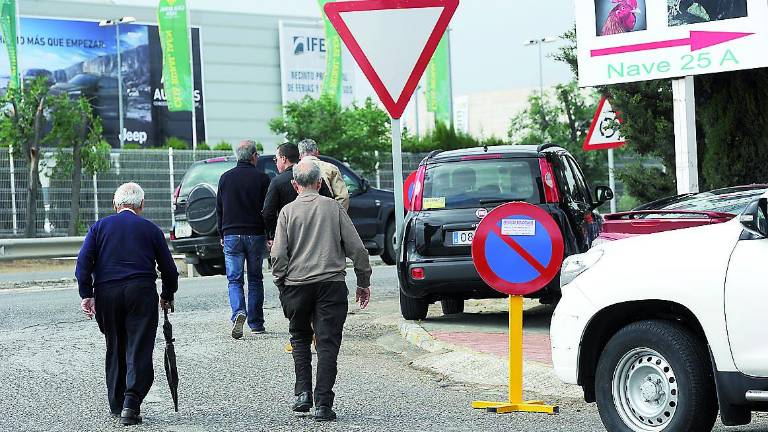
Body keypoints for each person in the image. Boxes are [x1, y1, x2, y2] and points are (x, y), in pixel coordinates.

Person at [271, 160, 372, 422]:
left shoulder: (287, 212)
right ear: (319, 183)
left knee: (300, 338)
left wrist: (281, 283)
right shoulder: (334, 208)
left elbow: (278, 254)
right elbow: (358, 250)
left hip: (297, 285)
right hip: (331, 285)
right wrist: (363, 281)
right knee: (327, 344)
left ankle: (303, 393)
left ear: (295, 185)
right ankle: (324, 405)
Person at [76, 182, 178, 426]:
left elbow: (82, 265)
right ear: (141, 205)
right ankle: (131, 403)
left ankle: (116, 402)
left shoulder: (99, 227)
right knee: (139, 347)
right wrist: (166, 294)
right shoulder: (151, 229)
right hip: (141, 292)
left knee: (115, 344)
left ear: (115, 204)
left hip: (107, 293)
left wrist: (86, 294)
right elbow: (170, 270)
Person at [216, 140, 271, 339]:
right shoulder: (263, 179)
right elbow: (268, 210)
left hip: (231, 234)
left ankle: (238, 312)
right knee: (255, 279)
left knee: (234, 280)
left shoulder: (225, 178)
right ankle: (256, 323)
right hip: (256, 234)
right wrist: (270, 234)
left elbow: (219, 209)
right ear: (254, 156)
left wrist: (221, 234)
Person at [262, 142, 333, 243]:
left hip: (289, 235)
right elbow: (329, 201)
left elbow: (268, 212)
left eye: (276, 159)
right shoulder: (314, 176)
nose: (276, 163)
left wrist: (272, 235)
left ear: (283, 159)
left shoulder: (277, 181)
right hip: (316, 233)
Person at [298, 138, 350, 210]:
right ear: (317, 152)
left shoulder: (294, 170)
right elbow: (343, 197)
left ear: (300, 155)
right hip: (326, 212)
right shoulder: (331, 168)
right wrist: (336, 215)